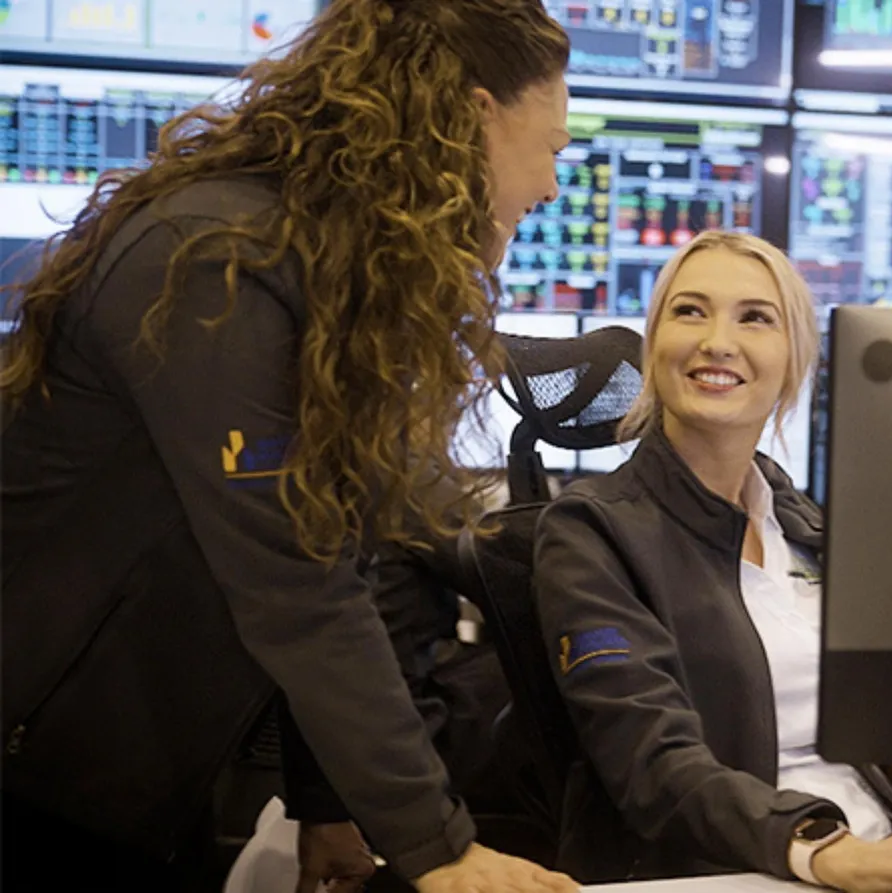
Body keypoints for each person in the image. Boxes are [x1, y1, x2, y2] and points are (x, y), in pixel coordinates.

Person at [1, 1, 577, 891]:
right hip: (35, 782)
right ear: (470, 117)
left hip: (137, 778)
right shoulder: (212, 260)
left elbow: (347, 547)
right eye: (552, 148)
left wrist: (332, 800)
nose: (548, 187)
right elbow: (293, 581)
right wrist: (438, 846)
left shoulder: (325, 263)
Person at [532, 231, 892, 892]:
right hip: (743, 868)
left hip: (881, 847)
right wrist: (825, 845)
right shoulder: (591, 531)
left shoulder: (799, 521)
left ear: (794, 361)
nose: (717, 341)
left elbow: (828, 721)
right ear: (654, 349)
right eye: (689, 311)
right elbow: (652, 763)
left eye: (755, 317)